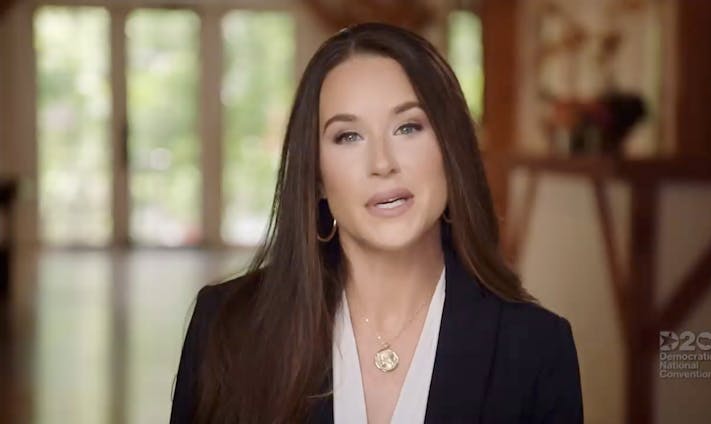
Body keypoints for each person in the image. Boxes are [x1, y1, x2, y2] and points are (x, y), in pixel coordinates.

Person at [170, 22, 583, 424]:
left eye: (408, 127)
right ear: (316, 176)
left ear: (450, 149)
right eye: (348, 136)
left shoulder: (536, 347)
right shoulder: (226, 327)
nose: (382, 163)